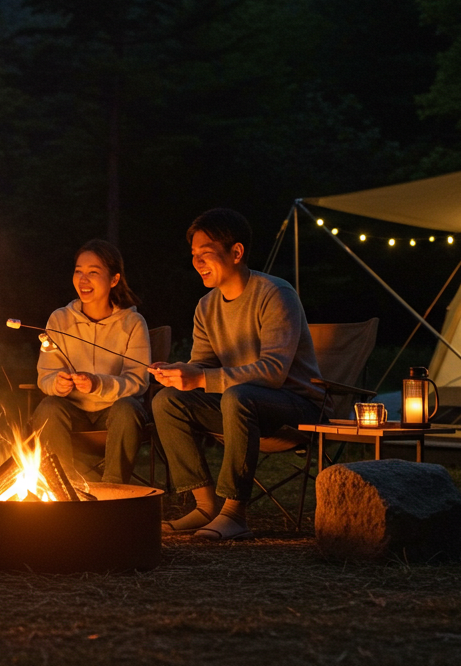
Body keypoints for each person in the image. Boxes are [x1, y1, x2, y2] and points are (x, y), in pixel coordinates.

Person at [150, 208, 325, 540]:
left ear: (237, 252)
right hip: (240, 407)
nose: (197, 262)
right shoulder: (206, 306)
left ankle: (235, 513)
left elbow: (273, 372)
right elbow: (202, 364)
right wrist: (181, 371)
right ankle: (205, 507)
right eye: (193, 255)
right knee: (167, 401)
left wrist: (201, 379)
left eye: (206, 253)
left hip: (297, 407)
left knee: (238, 395)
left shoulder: (276, 294)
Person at [29, 239, 151, 485]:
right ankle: (62, 489)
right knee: (48, 407)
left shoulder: (132, 323)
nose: (83, 280)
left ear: (114, 279)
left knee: (128, 408)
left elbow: (138, 381)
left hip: (115, 412)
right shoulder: (60, 319)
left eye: (93, 273)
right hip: (74, 412)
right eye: (78, 271)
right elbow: (46, 374)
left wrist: (98, 383)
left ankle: (113, 490)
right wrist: (57, 384)